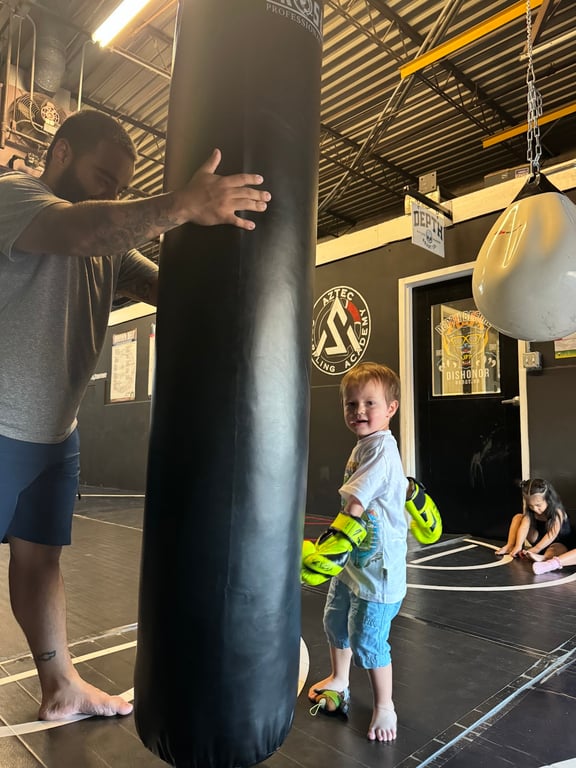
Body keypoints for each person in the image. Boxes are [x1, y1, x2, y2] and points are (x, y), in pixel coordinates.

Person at [0, 109, 270, 721]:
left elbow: (167, 286)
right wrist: (182, 204)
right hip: (1, 425)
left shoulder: (108, 252)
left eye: (121, 187)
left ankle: (60, 686)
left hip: (55, 435)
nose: (112, 195)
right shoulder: (16, 197)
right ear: (60, 154)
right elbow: (80, 232)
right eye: (104, 179)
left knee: (40, 560)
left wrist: (243, 271)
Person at [307, 362, 407, 743]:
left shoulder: (382, 449)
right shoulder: (365, 443)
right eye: (351, 404)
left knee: (368, 640)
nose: (359, 411)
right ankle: (339, 678)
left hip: (378, 571)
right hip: (355, 564)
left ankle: (385, 706)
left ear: (391, 408)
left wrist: (330, 544)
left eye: (369, 403)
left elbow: (356, 503)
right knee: (335, 622)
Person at [495, 478, 575, 563]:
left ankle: (544, 557)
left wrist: (535, 549)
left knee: (556, 548)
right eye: (531, 506)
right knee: (518, 517)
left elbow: (551, 535)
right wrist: (518, 546)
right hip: (538, 540)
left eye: (538, 505)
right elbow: (524, 527)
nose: (535, 509)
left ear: (548, 499)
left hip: (558, 543)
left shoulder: (558, 512)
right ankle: (510, 545)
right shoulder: (531, 511)